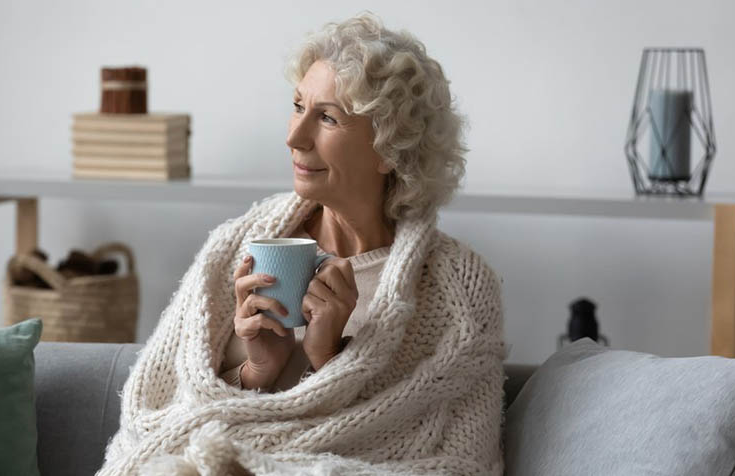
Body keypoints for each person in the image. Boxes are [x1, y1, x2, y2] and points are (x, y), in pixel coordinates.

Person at [96, 12, 508, 476]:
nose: (294, 137)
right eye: (297, 106)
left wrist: (328, 360)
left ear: (390, 148)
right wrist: (256, 371)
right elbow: (156, 411)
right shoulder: (238, 243)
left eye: (327, 117)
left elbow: (461, 463)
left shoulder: (459, 290)